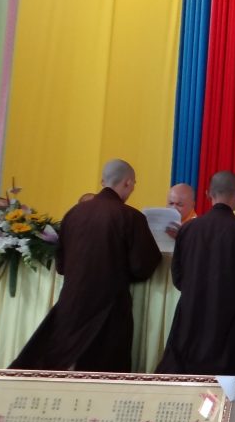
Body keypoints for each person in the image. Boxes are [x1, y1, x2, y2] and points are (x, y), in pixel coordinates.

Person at [10, 159, 161, 372]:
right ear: (128, 182)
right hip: (109, 307)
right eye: (134, 184)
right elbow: (142, 266)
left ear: (103, 181)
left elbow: (61, 265)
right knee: (103, 370)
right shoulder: (131, 216)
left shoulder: (74, 213)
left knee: (58, 361)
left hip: (72, 302)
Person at [155, 171, 235, 384]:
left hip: (190, 317)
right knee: (223, 385)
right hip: (229, 319)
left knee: (184, 378)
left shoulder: (188, 229)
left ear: (208, 194)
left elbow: (178, 278)